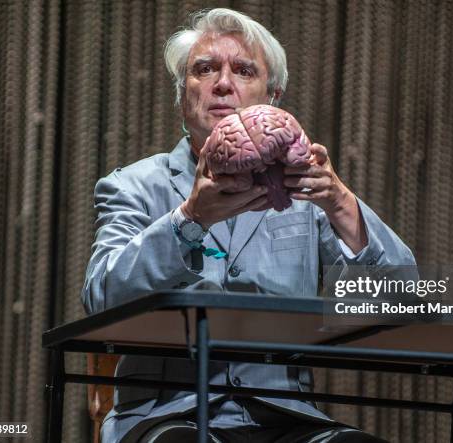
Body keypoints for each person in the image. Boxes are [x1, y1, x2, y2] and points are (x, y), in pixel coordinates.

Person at [82, 8, 416, 443]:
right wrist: (190, 219)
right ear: (183, 94)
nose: (223, 83)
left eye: (243, 70)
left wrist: (340, 202)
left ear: (272, 96)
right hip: (168, 418)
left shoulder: (308, 193)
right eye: (205, 69)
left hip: (285, 420)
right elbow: (102, 296)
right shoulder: (133, 186)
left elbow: (402, 298)